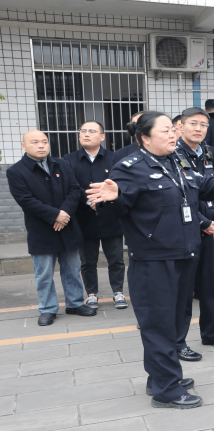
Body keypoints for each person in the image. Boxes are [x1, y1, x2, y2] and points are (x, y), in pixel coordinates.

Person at [87, 111, 214, 409]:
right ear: (145, 138)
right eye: (165, 130)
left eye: (173, 129)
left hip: (184, 254)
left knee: (170, 322)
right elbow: (114, 209)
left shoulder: (176, 162)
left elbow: (203, 187)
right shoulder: (130, 168)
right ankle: (166, 391)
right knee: (158, 325)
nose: (173, 134)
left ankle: (159, 378)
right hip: (154, 260)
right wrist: (113, 198)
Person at [7, 130, 97, 326]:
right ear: (23, 146)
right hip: (41, 229)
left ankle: (75, 303)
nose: (41, 145)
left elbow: (74, 190)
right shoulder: (16, 171)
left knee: (72, 269)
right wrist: (55, 215)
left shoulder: (62, 164)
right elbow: (26, 200)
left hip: (68, 225)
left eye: (44, 141)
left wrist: (64, 213)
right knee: (44, 274)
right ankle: (47, 308)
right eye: (35, 142)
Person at [173, 107, 214, 360]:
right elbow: (179, 197)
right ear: (181, 126)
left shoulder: (210, 152)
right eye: (193, 123)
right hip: (185, 233)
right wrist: (203, 222)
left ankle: (210, 332)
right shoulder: (172, 154)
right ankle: (178, 342)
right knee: (184, 292)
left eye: (203, 124)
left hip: (208, 231)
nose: (198, 129)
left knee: (210, 287)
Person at [64, 121, 127, 310]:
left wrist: (101, 201)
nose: (86, 134)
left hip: (111, 217)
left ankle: (118, 292)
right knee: (88, 261)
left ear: (102, 136)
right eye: (83, 131)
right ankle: (91, 294)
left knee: (116, 259)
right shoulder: (69, 159)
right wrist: (89, 201)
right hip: (84, 218)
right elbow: (71, 186)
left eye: (92, 131)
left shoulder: (114, 157)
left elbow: (120, 182)